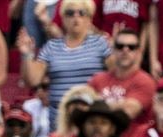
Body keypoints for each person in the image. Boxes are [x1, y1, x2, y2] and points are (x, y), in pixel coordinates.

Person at [19, 0, 110, 128]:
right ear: (62, 18)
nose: (76, 17)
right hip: (59, 125)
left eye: (82, 13)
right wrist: (27, 54)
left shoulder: (101, 44)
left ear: (89, 18)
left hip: (91, 123)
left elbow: (116, 72)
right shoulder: (51, 46)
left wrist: (116, 49)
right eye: (70, 13)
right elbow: (34, 80)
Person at [89, 28, 157, 128]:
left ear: (138, 52)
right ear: (113, 49)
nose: (125, 50)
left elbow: (126, 114)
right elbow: (82, 107)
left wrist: (96, 105)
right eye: (120, 46)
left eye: (131, 47)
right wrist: (120, 104)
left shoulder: (145, 81)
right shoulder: (97, 79)